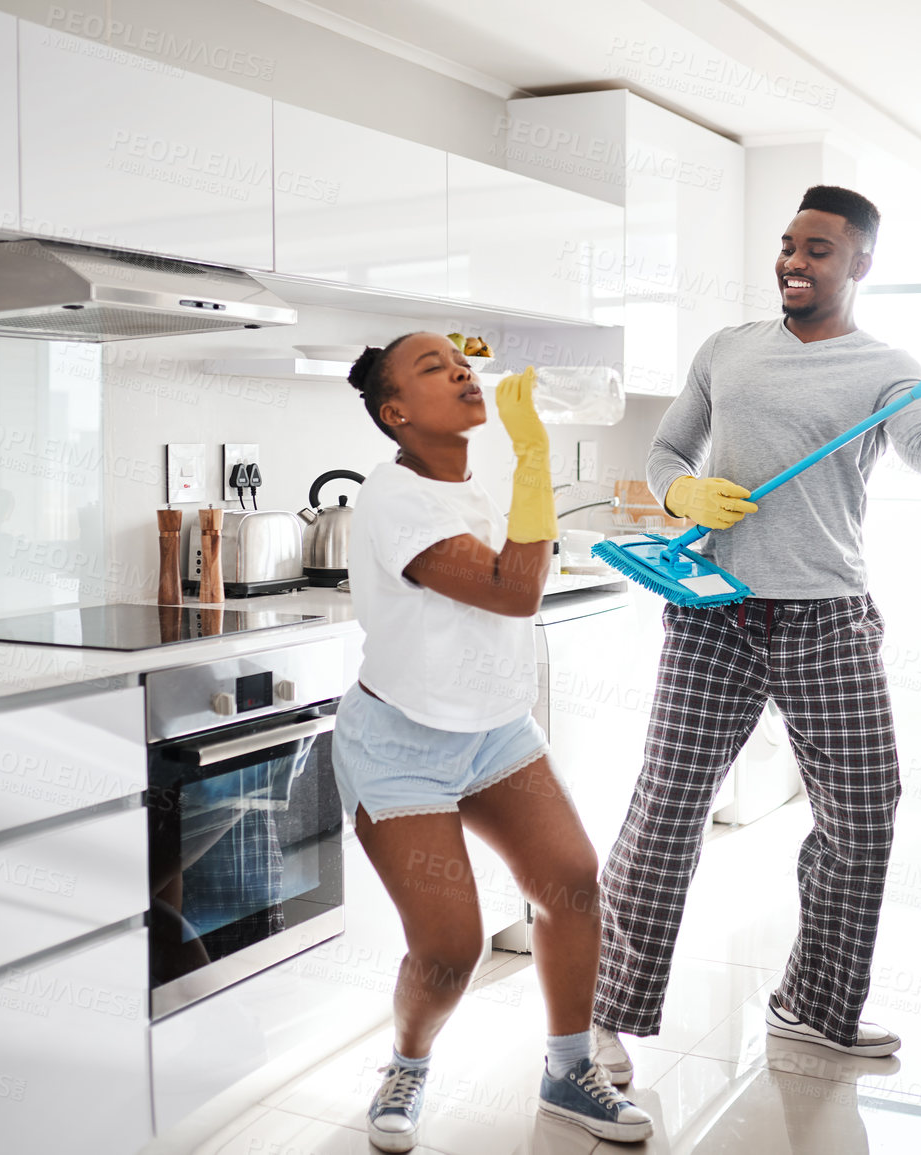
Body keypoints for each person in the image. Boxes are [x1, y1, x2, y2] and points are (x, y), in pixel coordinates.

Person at [590, 186, 921, 1078]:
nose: (793, 261)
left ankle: (812, 1005)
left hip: (828, 615)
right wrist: (680, 493)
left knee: (863, 818)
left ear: (860, 262)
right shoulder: (727, 350)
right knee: (666, 814)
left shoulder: (884, 366)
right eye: (787, 245)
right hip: (714, 609)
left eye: (818, 249)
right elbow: (667, 453)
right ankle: (607, 1012)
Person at [336, 333, 654, 1151]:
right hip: (401, 745)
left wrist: (533, 465)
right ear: (396, 412)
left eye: (461, 360)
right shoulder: (392, 495)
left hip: (496, 733)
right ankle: (406, 1063)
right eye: (433, 367)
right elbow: (515, 592)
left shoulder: (474, 478)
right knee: (450, 949)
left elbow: (523, 561)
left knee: (573, 884)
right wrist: (537, 455)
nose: (460, 372)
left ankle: (567, 1068)